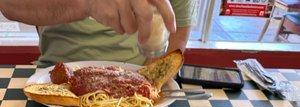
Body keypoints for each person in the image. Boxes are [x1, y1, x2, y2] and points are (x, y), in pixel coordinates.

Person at [0, 0, 197, 66]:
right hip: (51, 77)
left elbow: (178, 31)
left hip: (136, 79)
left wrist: (147, 83)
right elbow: (9, 5)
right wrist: (87, 3)